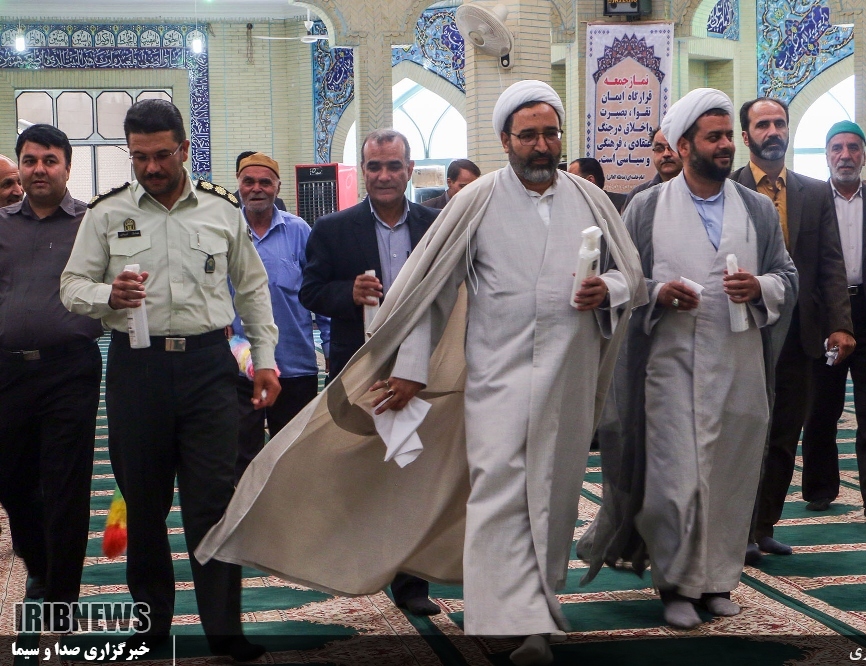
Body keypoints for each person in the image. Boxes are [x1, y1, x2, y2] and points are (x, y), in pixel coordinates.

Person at [195, 80, 644, 666]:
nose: (541, 145)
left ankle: (539, 605)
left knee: (556, 497)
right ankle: (508, 620)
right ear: (505, 140)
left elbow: (632, 275)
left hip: (570, 377)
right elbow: (433, 293)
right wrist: (410, 372)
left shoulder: (591, 200)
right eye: (528, 135)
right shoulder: (476, 201)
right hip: (497, 380)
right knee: (499, 496)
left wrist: (607, 288)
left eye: (550, 133)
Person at [61, 99, 279, 659]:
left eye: (161, 155)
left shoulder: (220, 209)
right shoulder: (106, 213)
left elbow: (251, 288)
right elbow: (71, 286)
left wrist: (265, 359)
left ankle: (225, 632)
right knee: (143, 502)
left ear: (184, 149)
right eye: (139, 157)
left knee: (213, 502)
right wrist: (107, 294)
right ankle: (151, 627)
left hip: (209, 369)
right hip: (137, 370)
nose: (151, 167)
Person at [578, 88, 797, 629]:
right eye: (713, 137)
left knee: (728, 479)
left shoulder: (757, 208)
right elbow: (621, 277)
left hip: (739, 366)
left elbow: (787, 276)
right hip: (669, 369)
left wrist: (760, 286)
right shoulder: (646, 207)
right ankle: (675, 584)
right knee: (674, 484)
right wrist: (658, 293)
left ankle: (718, 581)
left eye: (727, 136)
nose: (725, 146)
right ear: (683, 146)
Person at [299, 128, 441, 615]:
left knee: (413, 474)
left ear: (409, 169)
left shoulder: (435, 225)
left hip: (422, 370)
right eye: (375, 166)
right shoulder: (333, 229)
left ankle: (412, 583)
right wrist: (349, 293)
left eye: (394, 166)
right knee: (362, 471)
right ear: (363, 171)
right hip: (359, 368)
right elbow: (311, 291)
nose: (384, 175)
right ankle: (358, 566)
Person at [732, 97, 854, 562]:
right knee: (744, 434)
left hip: (799, 334)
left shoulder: (813, 192)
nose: (773, 131)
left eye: (779, 123)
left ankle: (764, 527)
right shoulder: (729, 188)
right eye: (763, 124)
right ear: (746, 135)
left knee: (784, 436)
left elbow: (830, 263)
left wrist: (840, 324)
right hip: (743, 330)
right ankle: (735, 528)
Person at [0, 125, 103, 630]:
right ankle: (39, 565)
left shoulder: (92, 224)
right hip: (6, 371)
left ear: (67, 167)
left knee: (66, 485)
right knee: (13, 480)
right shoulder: (0, 225)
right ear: (20, 167)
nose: (39, 169)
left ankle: (62, 596)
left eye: (49, 160)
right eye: (30, 160)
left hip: (70, 370)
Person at [800, 121, 866, 523]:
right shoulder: (810, 200)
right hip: (825, 315)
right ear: (827, 155)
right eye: (837, 148)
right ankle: (820, 488)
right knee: (821, 408)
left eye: (853, 148)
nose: (845, 155)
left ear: (863, 155)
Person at [232, 152, 331, 479]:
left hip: (294, 367)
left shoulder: (299, 231)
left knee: (294, 460)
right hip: (238, 370)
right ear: (239, 185)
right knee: (239, 459)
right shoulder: (225, 230)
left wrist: (330, 348)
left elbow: (319, 293)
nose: (256, 188)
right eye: (249, 181)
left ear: (277, 187)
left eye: (265, 182)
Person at [621, 128, 682, 210]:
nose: (666, 154)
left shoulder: (697, 191)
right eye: (659, 149)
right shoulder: (638, 195)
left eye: (672, 147)